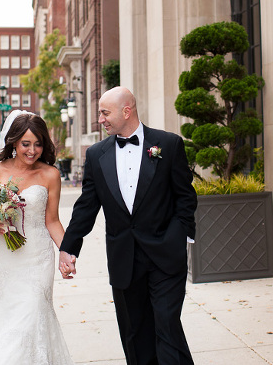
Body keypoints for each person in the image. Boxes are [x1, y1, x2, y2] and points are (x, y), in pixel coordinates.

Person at [59, 87, 197, 365]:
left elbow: (185, 196)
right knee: (135, 334)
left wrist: (180, 234)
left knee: (167, 327)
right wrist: (68, 247)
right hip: (124, 258)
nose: (100, 119)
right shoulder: (97, 155)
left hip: (165, 256)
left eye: (105, 112)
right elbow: (87, 206)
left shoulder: (168, 145)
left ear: (127, 110)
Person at [0, 111, 73, 365]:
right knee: (7, 318)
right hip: (4, 259)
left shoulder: (50, 175)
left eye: (38, 144)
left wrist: (67, 251)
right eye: (26, 144)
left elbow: (52, 220)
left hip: (38, 258)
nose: (32, 150)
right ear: (13, 142)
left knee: (31, 316)